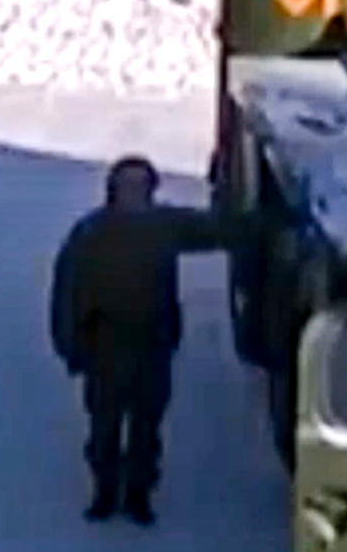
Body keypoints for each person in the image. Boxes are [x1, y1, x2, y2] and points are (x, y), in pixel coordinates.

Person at [50, 156, 233, 524]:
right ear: (113, 190)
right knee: (104, 426)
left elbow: (215, 232)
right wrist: (70, 345)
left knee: (146, 427)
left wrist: (241, 210)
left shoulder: (163, 226)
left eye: (141, 186)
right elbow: (67, 293)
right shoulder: (91, 234)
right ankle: (104, 491)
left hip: (152, 344)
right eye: (127, 186)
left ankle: (137, 495)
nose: (134, 194)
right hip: (104, 346)